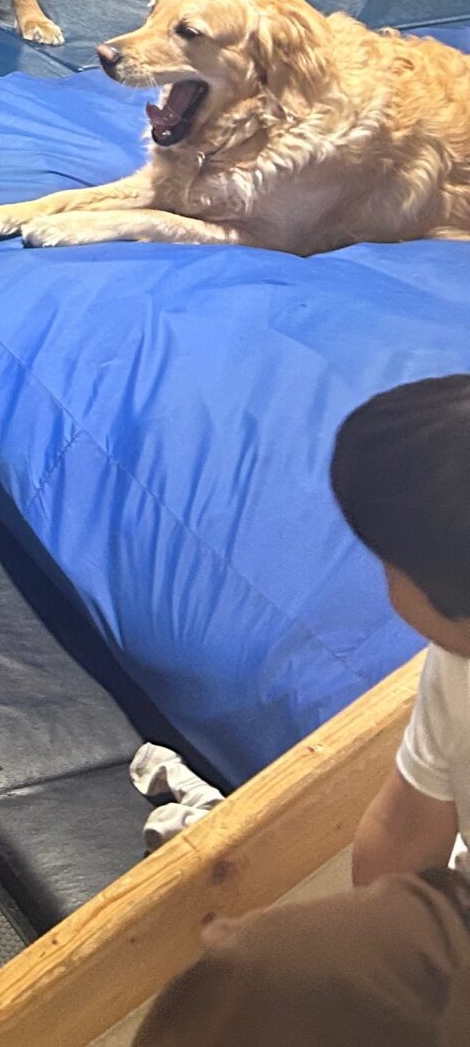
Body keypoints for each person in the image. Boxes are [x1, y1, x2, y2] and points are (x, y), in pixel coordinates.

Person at [135, 376, 470, 1044]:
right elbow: (404, 824)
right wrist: (369, 931)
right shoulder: (455, 661)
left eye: (387, 566)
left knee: (255, 976)